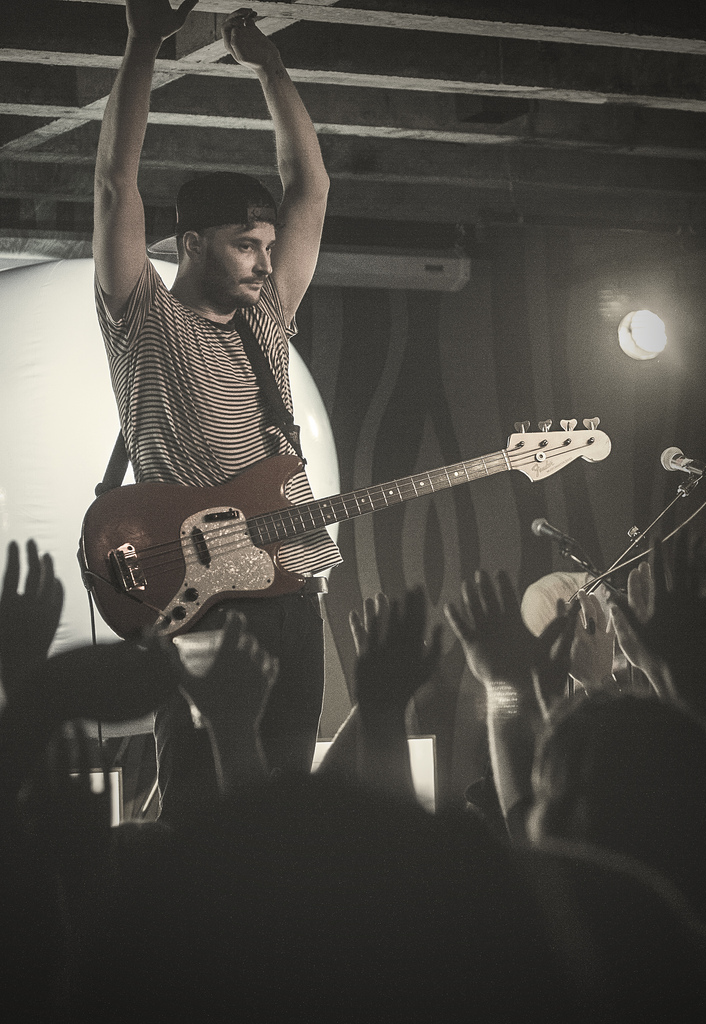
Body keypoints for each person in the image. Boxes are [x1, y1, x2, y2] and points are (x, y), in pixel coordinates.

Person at [92, 1, 341, 815]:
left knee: (288, 805)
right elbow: (113, 183)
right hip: (206, 594)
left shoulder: (268, 316)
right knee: (204, 804)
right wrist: (140, 45)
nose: (266, 263)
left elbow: (312, 187)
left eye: (268, 246)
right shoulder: (143, 316)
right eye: (245, 243)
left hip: (295, 590)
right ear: (189, 243)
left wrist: (270, 69)